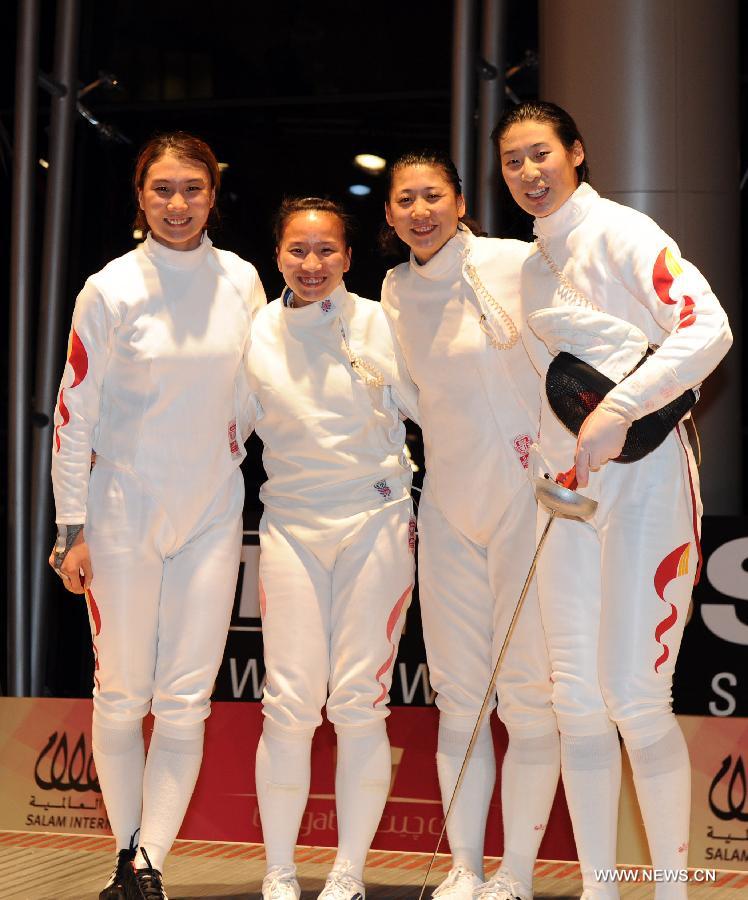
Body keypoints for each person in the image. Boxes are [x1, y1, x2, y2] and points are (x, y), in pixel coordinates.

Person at [493, 101, 732, 899]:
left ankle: (669, 891)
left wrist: (623, 407)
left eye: (541, 154)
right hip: (565, 500)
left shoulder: (624, 233)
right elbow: (549, 393)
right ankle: (599, 888)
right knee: (576, 701)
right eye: (513, 161)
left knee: (635, 693)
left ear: (577, 152)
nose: (529, 172)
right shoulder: (529, 267)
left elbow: (710, 328)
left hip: (649, 482)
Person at [50, 132, 266, 900]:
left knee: (185, 699)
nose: (178, 205)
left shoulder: (242, 280)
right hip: (121, 515)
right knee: (121, 693)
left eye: (193, 190)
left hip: (212, 510)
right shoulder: (108, 289)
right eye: (163, 190)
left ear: (214, 194)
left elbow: (260, 389)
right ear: (141, 196)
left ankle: (149, 866)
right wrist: (70, 525)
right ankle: (126, 850)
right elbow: (73, 413)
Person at [380, 151, 560, 900]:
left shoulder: (518, 261)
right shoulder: (392, 289)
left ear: (459, 200)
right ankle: (464, 867)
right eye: (405, 201)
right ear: (388, 215)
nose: (420, 211)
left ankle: (515, 873)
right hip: (449, 506)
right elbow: (411, 398)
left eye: (433, 196)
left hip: (525, 499)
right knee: (459, 698)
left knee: (527, 696)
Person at [244, 197, 418, 900]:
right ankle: (279, 872)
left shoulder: (382, 323)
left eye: (325, 251)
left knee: (358, 702)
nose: (311, 264)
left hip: (375, 523)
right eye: (297, 250)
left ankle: (348, 873)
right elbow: (216, 426)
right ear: (278, 255)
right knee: (287, 703)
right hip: (288, 525)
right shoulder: (254, 330)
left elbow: (438, 409)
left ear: (348, 257)